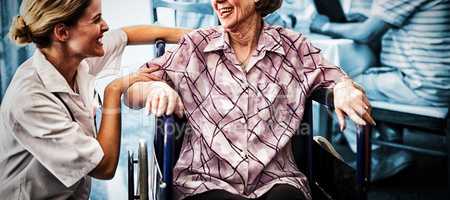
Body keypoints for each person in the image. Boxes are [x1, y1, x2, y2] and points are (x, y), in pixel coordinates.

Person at [126, 0, 375, 199]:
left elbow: (335, 78)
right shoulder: (195, 46)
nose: (217, 1)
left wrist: (344, 87)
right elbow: (131, 91)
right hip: (204, 180)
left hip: (277, 178)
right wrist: (156, 88)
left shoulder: (292, 47)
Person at [0, 0, 189, 199]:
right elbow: (104, 167)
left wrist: (197, 35)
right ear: (62, 32)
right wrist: (113, 92)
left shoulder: (73, 56)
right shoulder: (30, 101)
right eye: (96, 19)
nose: (105, 25)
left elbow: (127, 35)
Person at [310, 0, 450, 180]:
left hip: (419, 86)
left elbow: (366, 33)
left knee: (338, 88)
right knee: (355, 77)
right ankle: (389, 143)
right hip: (435, 82)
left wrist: (324, 26)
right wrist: (372, 19)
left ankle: (378, 156)